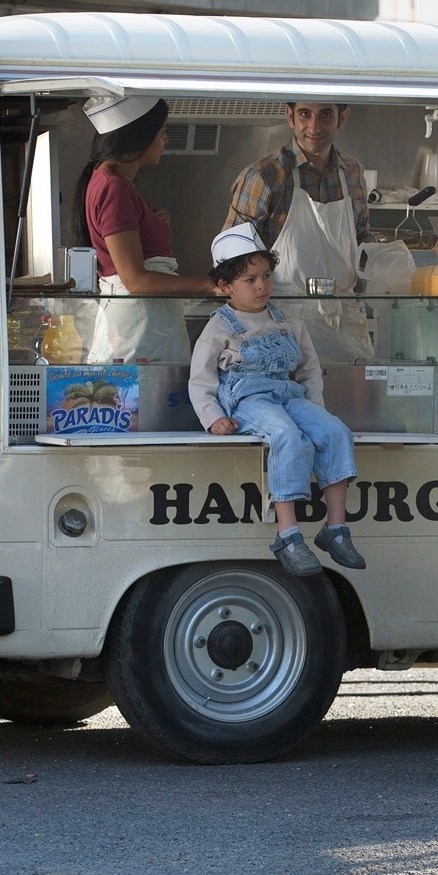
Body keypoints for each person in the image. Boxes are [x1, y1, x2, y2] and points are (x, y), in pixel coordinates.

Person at [189, 224, 367, 578]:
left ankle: (335, 529)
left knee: (335, 432)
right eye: (250, 279)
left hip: (290, 395)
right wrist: (212, 417)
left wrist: (316, 408)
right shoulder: (219, 327)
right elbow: (201, 379)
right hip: (248, 401)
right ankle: (288, 534)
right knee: (287, 436)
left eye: (266, 276)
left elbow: (309, 370)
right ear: (225, 286)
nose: (261, 286)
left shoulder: (287, 321)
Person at [76, 95, 218, 363]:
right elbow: (135, 280)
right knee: (140, 402)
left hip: (143, 322)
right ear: (138, 135)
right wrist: (209, 286)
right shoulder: (113, 187)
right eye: (162, 132)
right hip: (137, 324)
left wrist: (150, 221)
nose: (165, 140)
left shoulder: (111, 183)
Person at [223, 102, 374, 294]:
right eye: (305, 114)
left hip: (342, 311)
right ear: (290, 116)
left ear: (342, 118)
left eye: (325, 115)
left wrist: (383, 264)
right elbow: (232, 254)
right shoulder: (263, 175)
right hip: (281, 311)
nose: (314, 127)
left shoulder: (352, 171)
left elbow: (362, 234)